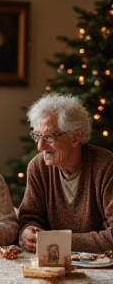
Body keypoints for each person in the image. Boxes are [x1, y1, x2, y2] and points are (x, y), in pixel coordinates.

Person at [18, 93, 113, 253]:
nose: (40, 147)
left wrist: (56, 240)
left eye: (48, 137)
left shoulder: (106, 167)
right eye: (37, 136)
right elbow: (29, 217)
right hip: (53, 264)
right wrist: (28, 231)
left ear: (75, 138)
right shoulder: (38, 167)